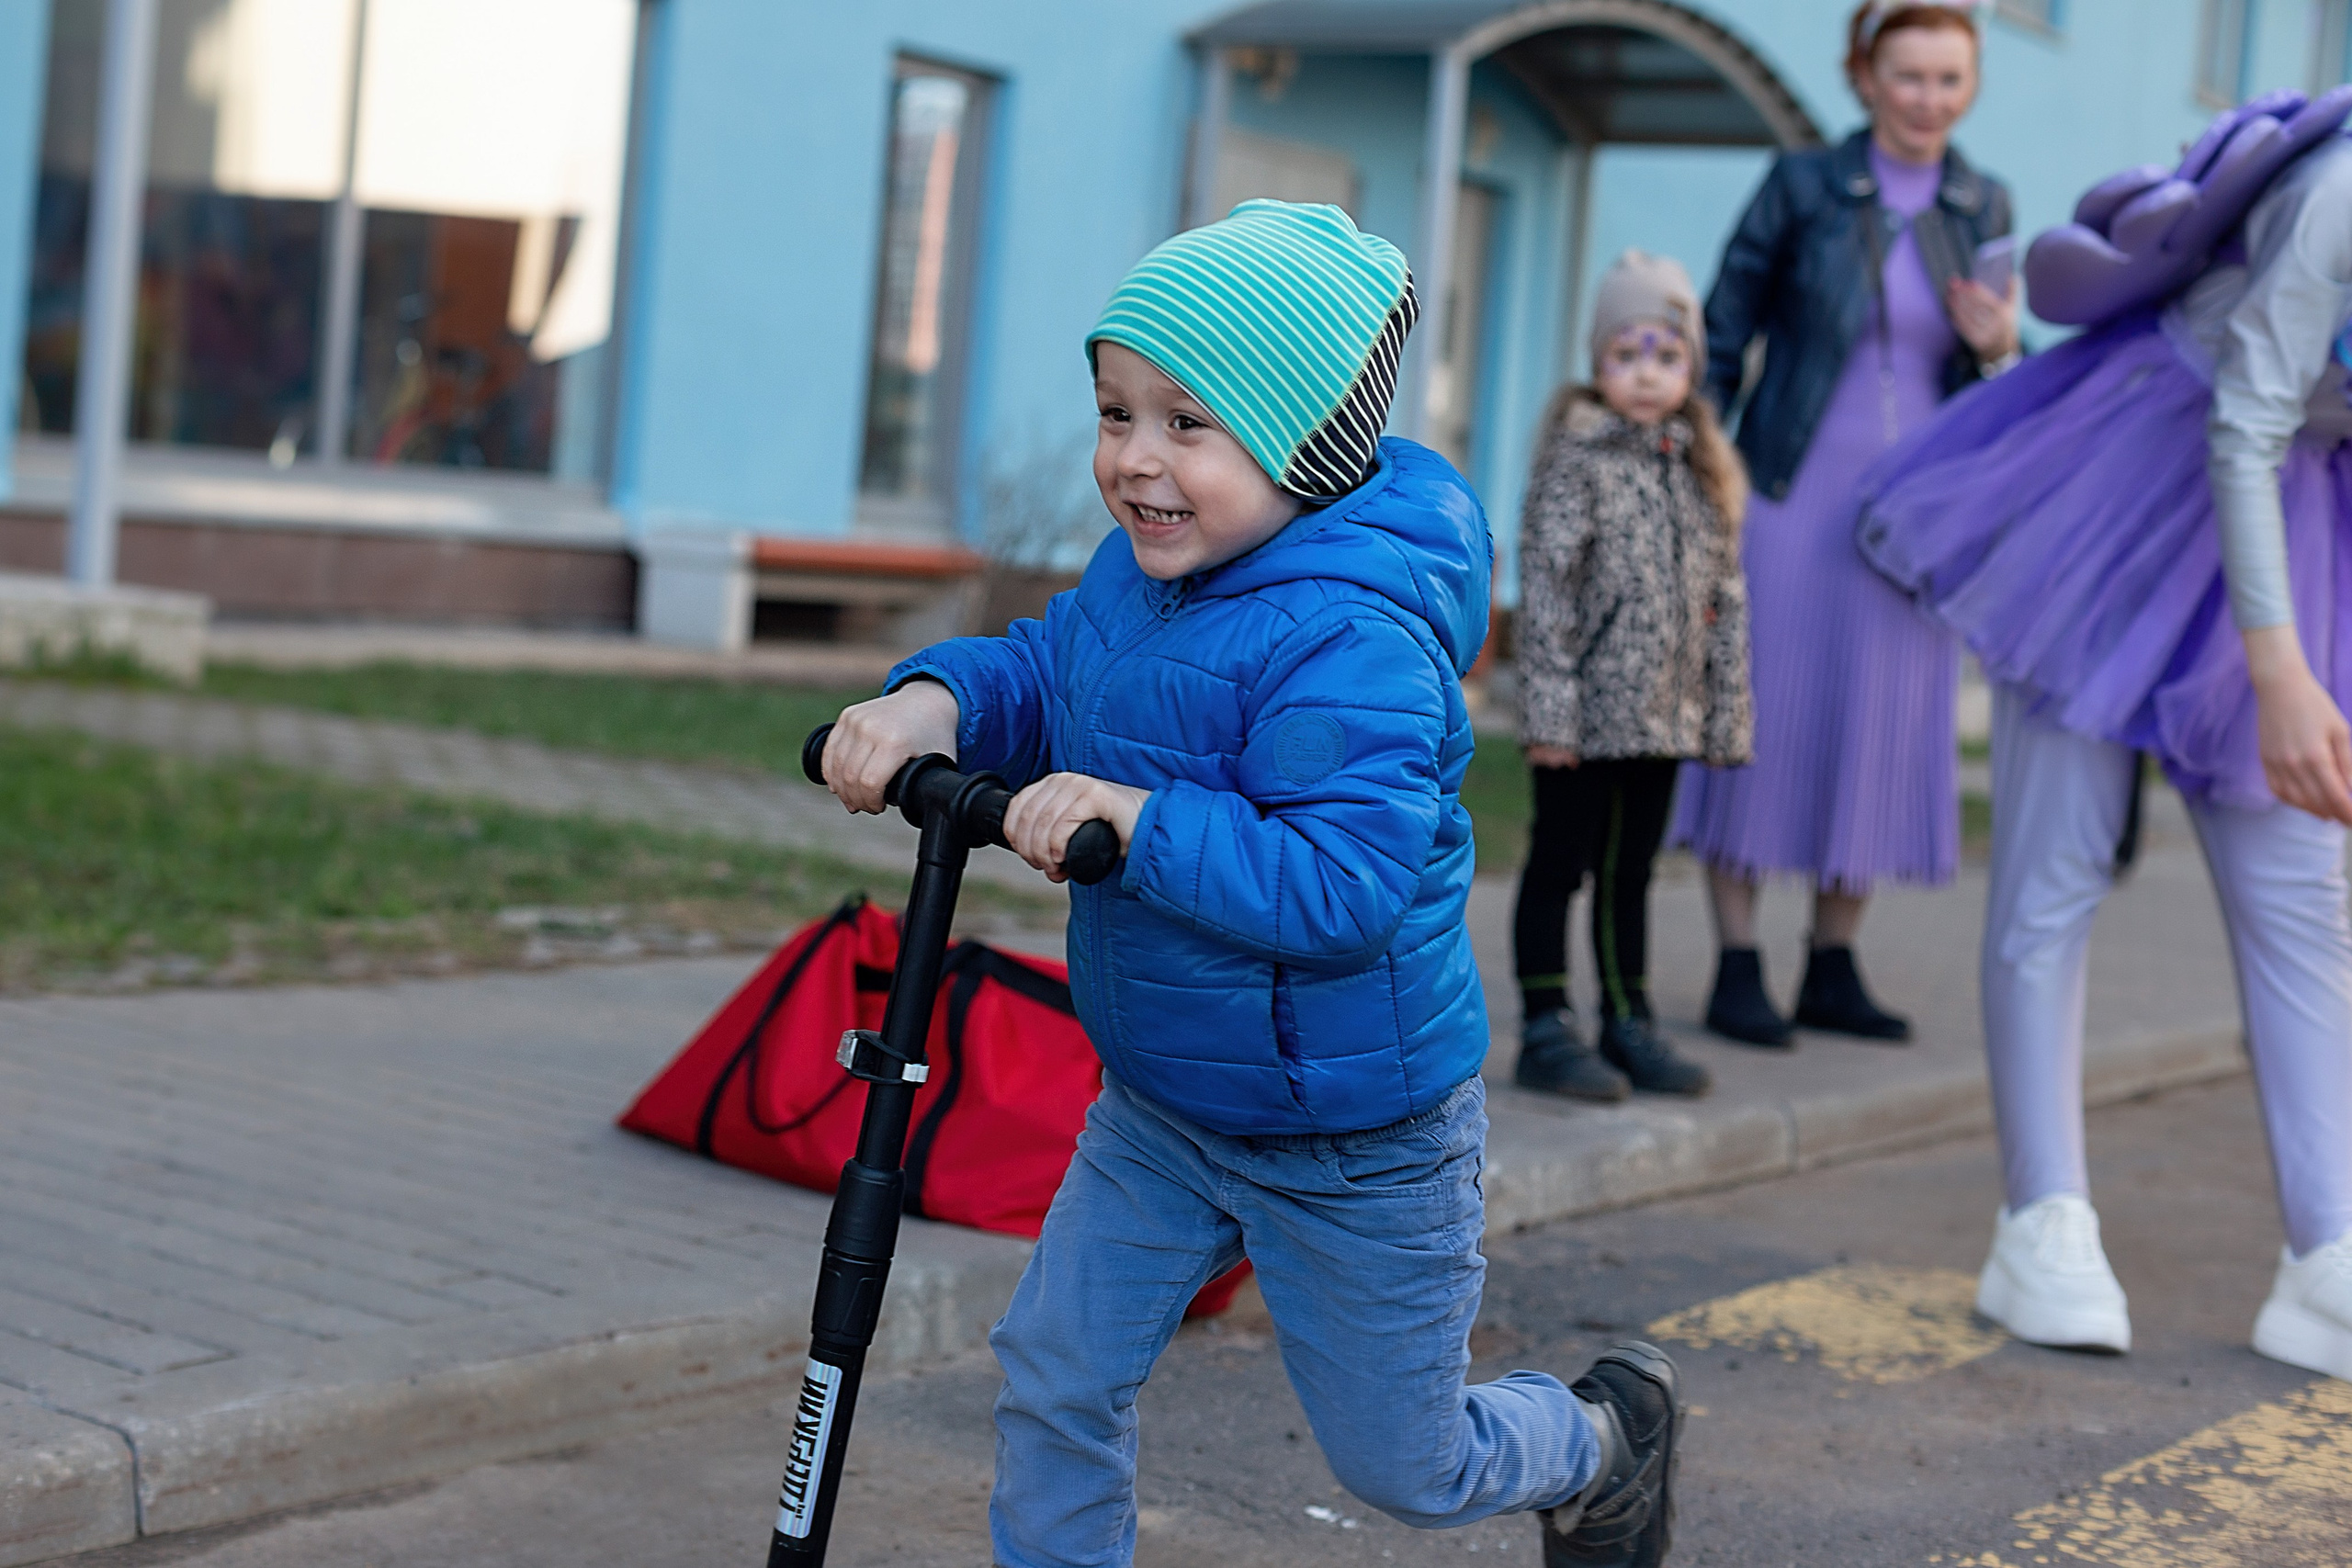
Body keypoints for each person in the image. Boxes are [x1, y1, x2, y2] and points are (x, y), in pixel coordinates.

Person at [820, 200, 1686, 1567]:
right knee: (1054, 1370)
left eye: (1187, 423)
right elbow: (1050, 671)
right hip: (1163, 1101)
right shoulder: (1144, 575)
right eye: (1117, 413)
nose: (1135, 461)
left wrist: (1141, 820)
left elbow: (1341, 887)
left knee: (1406, 1460)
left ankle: (1597, 1439)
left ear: (1304, 442)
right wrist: (936, 697)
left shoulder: (1355, 637)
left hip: (1356, 1131)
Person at [1857, 92, 2352, 1379]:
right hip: (2137, 471)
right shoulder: (2343, 192)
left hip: (2296, 511)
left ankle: (2329, 1257)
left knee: (2299, 892)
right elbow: (2245, 421)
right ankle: (2043, 1219)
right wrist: (2284, 671)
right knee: (2057, 866)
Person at [1673, 0, 2018, 1048]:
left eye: (1948, 80)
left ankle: (1831, 960)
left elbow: (2000, 383)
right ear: (1863, 76)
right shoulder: (1803, 185)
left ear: (1971, 87)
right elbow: (1722, 333)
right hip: (1784, 500)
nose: (1928, 100)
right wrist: (1692, 466)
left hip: (1909, 524)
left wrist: (2005, 343)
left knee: (1879, 726)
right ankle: (1736, 963)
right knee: (1759, 723)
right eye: (1908, 76)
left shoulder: (1983, 201)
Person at [1511, 250, 1753, 1103]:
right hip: (1582, 719)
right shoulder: (1577, 462)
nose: (1647, 374)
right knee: (1561, 862)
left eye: (1666, 355)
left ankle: (1628, 1017)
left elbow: (1724, 601)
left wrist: (1724, 720)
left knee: (1632, 871)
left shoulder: (1700, 469)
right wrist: (1549, 717)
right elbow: (1547, 594)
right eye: (1628, 353)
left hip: (1665, 717)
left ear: (1691, 367)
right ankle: (1546, 1022)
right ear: (1597, 362)